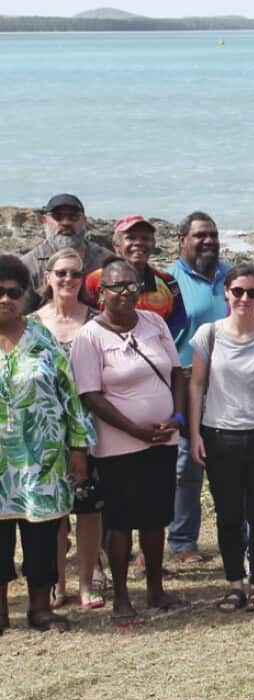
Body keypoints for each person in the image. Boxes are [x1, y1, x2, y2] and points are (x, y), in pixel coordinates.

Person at [70, 261, 188, 624]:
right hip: (118, 444)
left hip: (163, 438)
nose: (125, 293)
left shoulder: (154, 323)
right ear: (101, 293)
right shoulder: (89, 336)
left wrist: (177, 417)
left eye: (131, 286)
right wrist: (133, 429)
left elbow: (177, 374)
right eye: (116, 287)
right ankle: (122, 597)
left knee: (155, 518)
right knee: (120, 522)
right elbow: (90, 395)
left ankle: (156, 589)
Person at [187, 264, 254, 612]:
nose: (244, 298)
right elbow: (196, 385)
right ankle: (234, 583)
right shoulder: (208, 334)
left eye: (252, 292)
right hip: (220, 436)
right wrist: (194, 433)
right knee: (228, 514)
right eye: (238, 291)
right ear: (227, 293)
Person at [0, 254, 94, 633]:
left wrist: (79, 448)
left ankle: (40, 609)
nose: (6, 299)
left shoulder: (42, 339)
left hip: (44, 460)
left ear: (24, 293)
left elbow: (70, 396)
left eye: (13, 292)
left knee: (42, 538)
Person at [28, 249, 104, 610]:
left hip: (91, 427)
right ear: (47, 277)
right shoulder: (30, 324)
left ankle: (87, 583)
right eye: (61, 273)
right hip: (44, 432)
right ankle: (56, 583)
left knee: (89, 510)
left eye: (75, 273)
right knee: (53, 513)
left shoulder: (97, 321)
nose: (68, 279)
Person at [165, 211, 229, 565]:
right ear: (182, 240)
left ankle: (237, 538)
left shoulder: (232, 276)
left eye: (213, 235)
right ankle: (182, 541)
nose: (208, 241)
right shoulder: (168, 282)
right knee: (186, 467)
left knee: (232, 463)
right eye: (200, 235)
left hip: (232, 384)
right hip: (187, 383)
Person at [84, 215, 189, 342]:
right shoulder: (94, 280)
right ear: (116, 245)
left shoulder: (167, 282)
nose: (139, 243)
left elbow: (176, 326)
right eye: (131, 237)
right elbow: (82, 320)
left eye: (145, 238)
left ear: (153, 244)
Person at [18, 193, 113, 314]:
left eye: (73, 217)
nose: (66, 223)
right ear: (45, 220)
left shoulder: (107, 261)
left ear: (84, 221)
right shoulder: (28, 266)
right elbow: (20, 316)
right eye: (57, 217)